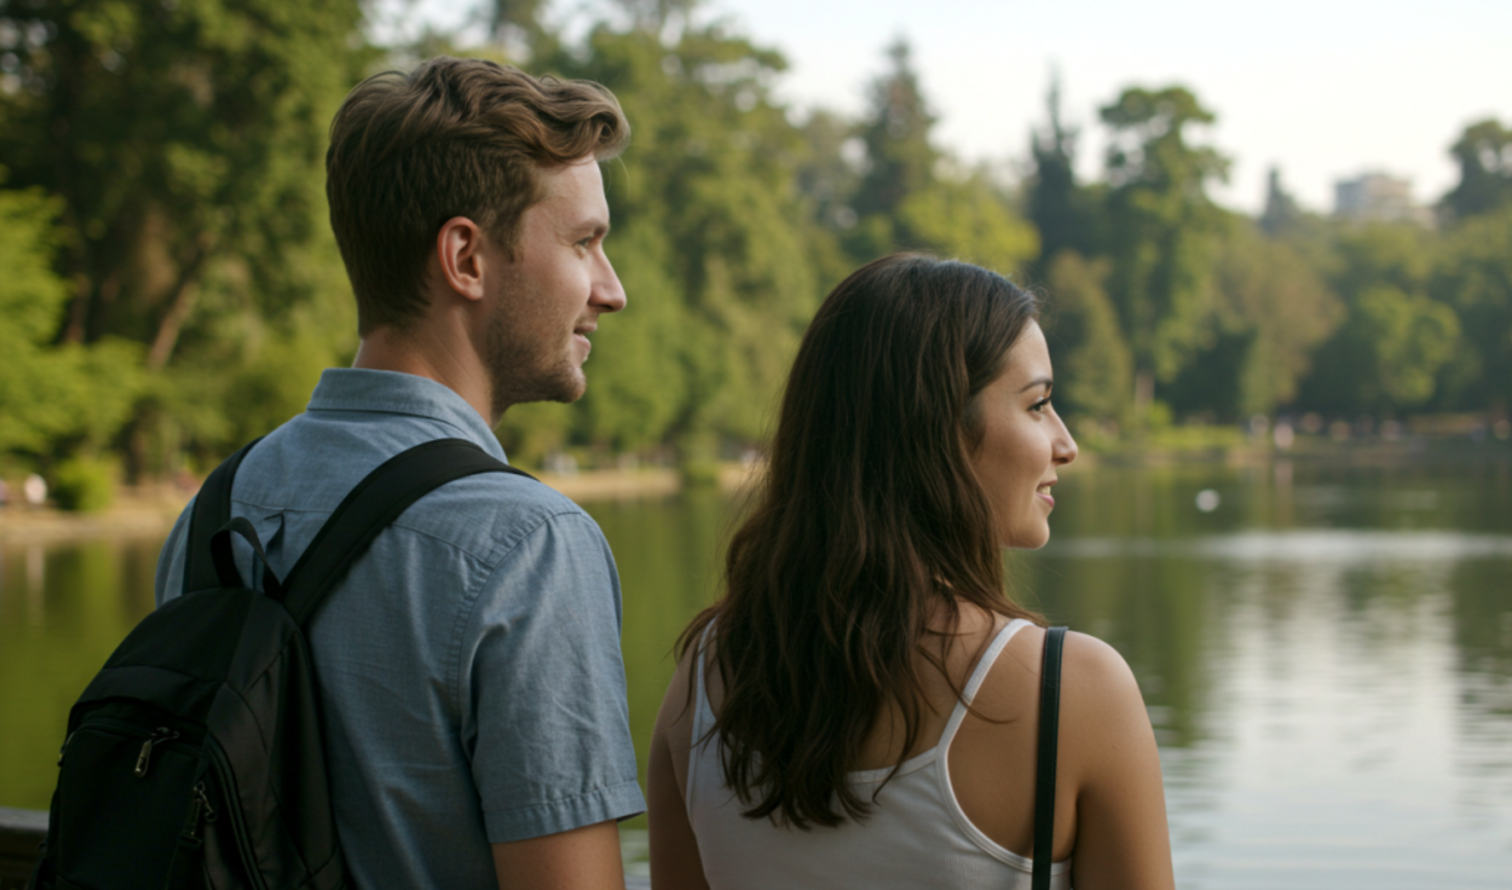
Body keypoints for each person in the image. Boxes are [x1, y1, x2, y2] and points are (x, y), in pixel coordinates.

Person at [154, 57, 644, 889]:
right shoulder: (529, 546)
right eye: (583, 242)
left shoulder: (216, 508)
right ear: (466, 258)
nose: (612, 289)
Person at [648, 254, 1174, 889]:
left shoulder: (701, 683)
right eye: (1038, 405)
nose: (1066, 443)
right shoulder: (1073, 693)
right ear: (939, 429)